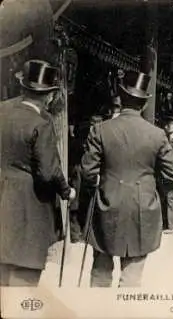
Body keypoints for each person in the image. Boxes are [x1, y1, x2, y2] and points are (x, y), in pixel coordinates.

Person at [81, 70, 173, 287]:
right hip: (142, 208)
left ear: (120, 98)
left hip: (107, 204)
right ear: (143, 104)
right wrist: (150, 189)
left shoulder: (100, 130)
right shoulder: (157, 135)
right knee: (132, 279)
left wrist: (102, 183)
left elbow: (87, 173)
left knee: (100, 274)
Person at [0, 60, 76, 286]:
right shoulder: (41, 122)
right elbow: (47, 171)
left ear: (24, 88)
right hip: (28, 204)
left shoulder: (2, 113)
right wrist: (66, 191)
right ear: (49, 96)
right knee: (25, 276)